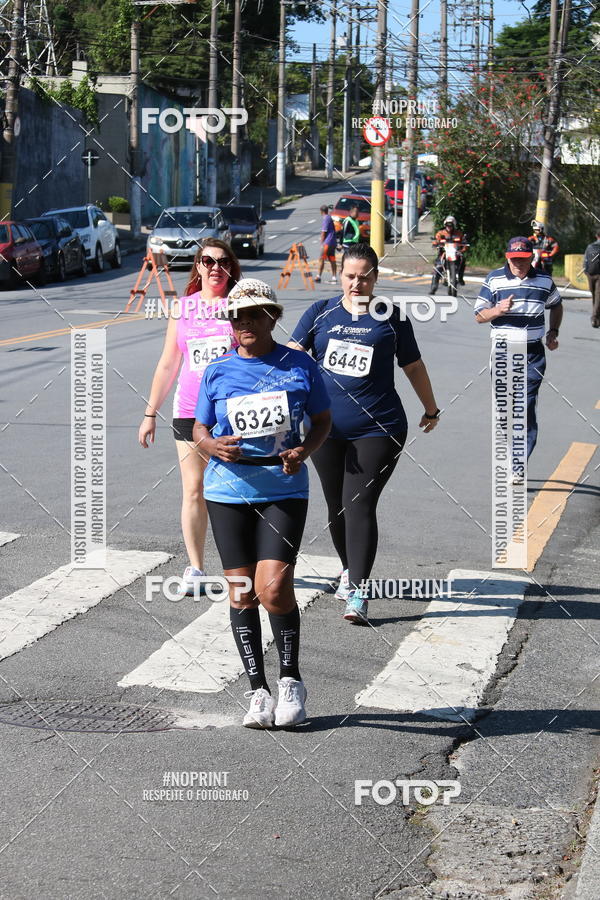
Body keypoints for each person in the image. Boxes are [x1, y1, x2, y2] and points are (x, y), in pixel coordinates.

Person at [193, 278, 331, 729]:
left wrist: (304, 450)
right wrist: (213, 446)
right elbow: (199, 429)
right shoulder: (217, 371)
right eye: (237, 315)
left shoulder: (299, 366)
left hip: (283, 486)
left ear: (272, 317)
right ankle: (257, 690)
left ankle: (290, 680)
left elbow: (323, 420)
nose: (245, 322)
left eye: (254, 314)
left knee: (272, 589)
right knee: (241, 593)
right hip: (226, 491)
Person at [288, 243, 440, 626]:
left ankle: (358, 589)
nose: (357, 283)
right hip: (323, 429)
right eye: (351, 275)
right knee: (336, 504)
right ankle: (347, 567)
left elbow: (414, 365)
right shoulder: (320, 313)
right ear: (340, 275)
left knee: (359, 502)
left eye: (365, 276)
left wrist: (431, 408)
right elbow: (291, 354)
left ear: (376, 277)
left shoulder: (390, 317)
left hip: (379, 427)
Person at [138, 239, 241, 595]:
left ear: (231, 267)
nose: (215, 268)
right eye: (208, 261)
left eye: (222, 262)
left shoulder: (239, 307)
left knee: (234, 492)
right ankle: (196, 568)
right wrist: (150, 412)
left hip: (231, 415)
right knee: (194, 490)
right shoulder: (183, 308)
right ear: (197, 267)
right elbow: (169, 363)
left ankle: (242, 565)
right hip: (187, 413)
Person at [474, 236, 563, 461]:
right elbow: (479, 316)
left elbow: (556, 305)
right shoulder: (494, 279)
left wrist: (553, 332)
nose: (518, 264)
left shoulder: (544, 280)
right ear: (507, 257)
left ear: (531, 257)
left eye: (522, 259)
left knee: (525, 405)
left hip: (532, 353)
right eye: (514, 259)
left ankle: (518, 461)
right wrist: (498, 310)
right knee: (503, 409)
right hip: (503, 352)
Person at [432, 215, 467, 286]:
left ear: (454, 225)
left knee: (462, 259)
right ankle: (434, 284)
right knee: (438, 266)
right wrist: (436, 244)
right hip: (443, 252)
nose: (449, 227)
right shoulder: (440, 233)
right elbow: (436, 240)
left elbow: (464, 243)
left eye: (451, 225)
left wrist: (463, 248)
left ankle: (460, 278)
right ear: (445, 225)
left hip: (455, 252)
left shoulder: (458, 233)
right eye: (447, 225)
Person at [315, 204, 337, 284]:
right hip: (333, 242)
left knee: (322, 258)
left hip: (327, 243)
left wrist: (322, 243)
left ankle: (318, 276)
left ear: (321, 211)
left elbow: (324, 232)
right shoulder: (329, 218)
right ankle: (334, 277)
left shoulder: (326, 218)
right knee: (332, 259)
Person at [582, 229, 600, 328]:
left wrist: (585, 270)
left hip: (590, 273)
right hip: (599, 274)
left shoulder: (590, 246)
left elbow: (585, 259)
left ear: (596, 236)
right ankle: (596, 317)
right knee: (597, 296)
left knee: (595, 295)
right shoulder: (591, 246)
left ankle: (595, 317)